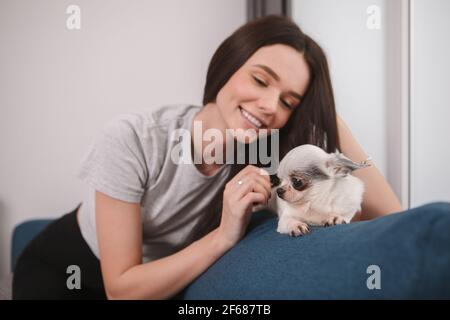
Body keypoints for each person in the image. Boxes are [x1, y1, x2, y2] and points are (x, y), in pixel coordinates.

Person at [12, 15, 402, 300]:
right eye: (261, 80)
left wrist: (323, 110)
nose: (269, 106)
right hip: (67, 267)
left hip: (159, 281)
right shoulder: (133, 137)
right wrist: (223, 237)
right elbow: (122, 289)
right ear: (228, 65)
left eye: (288, 101)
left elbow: (391, 217)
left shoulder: (272, 161)